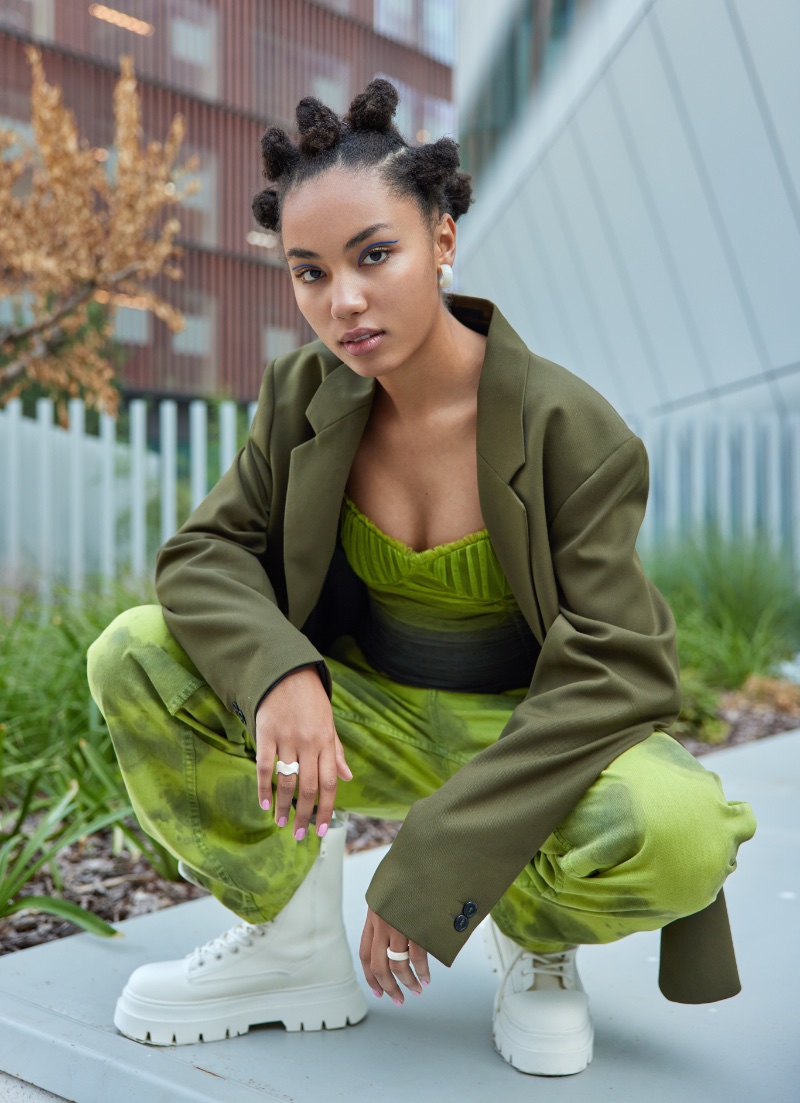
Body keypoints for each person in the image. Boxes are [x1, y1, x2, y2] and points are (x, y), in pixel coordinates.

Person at [87, 78, 756, 1077]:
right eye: (307, 273)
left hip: (529, 736)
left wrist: (444, 862)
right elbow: (205, 552)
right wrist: (281, 672)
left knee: (679, 827)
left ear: (441, 239)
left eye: (374, 255)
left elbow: (618, 667)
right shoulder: (301, 392)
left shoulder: (572, 429)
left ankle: (531, 933)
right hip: (368, 721)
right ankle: (291, 943)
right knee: (135, 650)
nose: (341, 301)